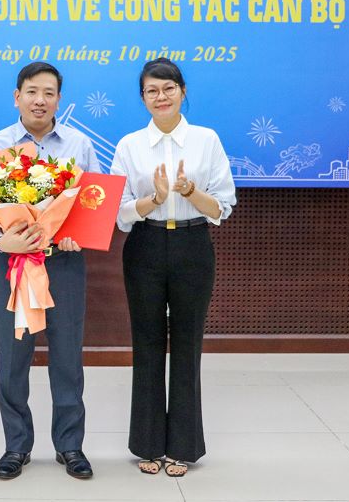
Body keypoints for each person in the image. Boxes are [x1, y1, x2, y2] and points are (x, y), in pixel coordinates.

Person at [0, 62, 101, 480]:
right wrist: (0, 240)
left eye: (48, 92)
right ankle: (16, 447)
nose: (39, 100)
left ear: (59, 99)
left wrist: (76, 233)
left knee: (67, 357)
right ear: (17, 96)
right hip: (12, 262)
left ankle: (70, 446)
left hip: (63, 263)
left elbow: (93, 202)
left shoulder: (78, 145)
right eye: (31, 91)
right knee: (12, 358)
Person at [110, 58, 236, 477]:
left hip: (193, 243)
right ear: (142, 97)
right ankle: (147, 442)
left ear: (183, 91)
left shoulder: (206, 140)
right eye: (151, 91)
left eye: (168, 89)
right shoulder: (129, 145)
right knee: (146, 342)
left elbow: (222, 207)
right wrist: (154, 198)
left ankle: (183, 445)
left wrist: (188, 190)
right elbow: (119, 213)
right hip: (144, 245)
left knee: (187, 342)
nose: (160, 97)